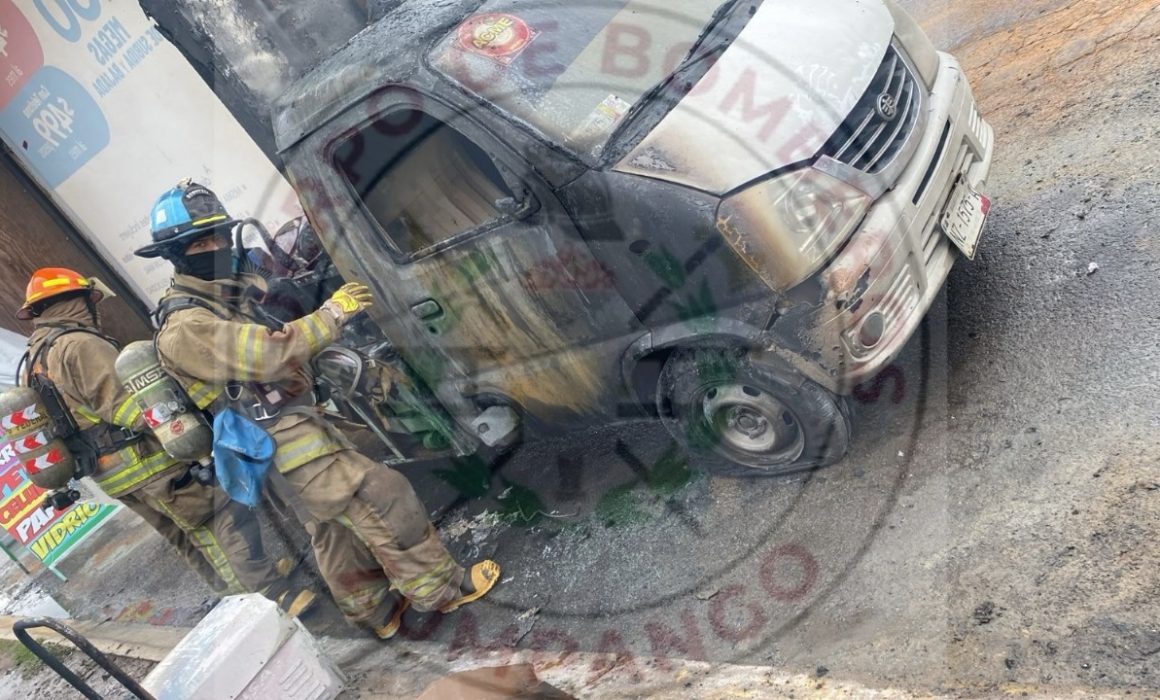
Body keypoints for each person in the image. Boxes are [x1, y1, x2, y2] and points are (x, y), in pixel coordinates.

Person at [135, 179, 499, 639]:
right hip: (276, 435)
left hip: (284, 426)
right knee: (379, 494)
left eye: (219, 236)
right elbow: (268, 352)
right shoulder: (186, 324)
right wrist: (333, 314)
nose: (217, 247)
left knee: (332, 528)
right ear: (176, 254)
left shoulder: (218, 298)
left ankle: (375, 612)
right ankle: (442, 588)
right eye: (202, 242)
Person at [16, 267, 316, 616]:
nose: (95, 307)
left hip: (111, 473)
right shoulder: (78, 344)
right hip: (147, 461)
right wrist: (181, 420)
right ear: (76, 300)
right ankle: (270, 595)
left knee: (182, 535)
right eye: (89, 299)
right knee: (218, 518)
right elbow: (128, 406)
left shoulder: (34, 357)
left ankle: (235, 594)